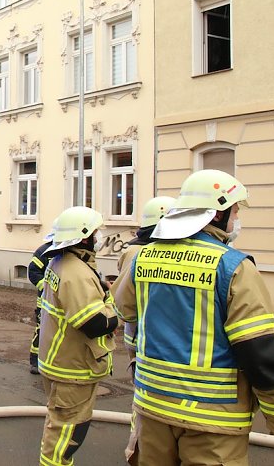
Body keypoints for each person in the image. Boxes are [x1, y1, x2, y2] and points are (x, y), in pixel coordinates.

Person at [113, 169, 274, 465]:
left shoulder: (143, 256)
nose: (237, 218)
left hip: (151, 406)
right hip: (211, 419)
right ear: (216, 214)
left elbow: (124, 310)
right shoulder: (234, 267)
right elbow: (259, 351)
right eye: (235, 210)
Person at [37, 206, 118, 466]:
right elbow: (94, 323)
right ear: (84, 237)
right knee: (66, 435)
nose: (98, 237)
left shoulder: (61, 263)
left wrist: (101, 290)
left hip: (59, 361)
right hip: (72, 367)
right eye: (95, 232)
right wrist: (116, 308)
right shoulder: (76, 272)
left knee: (61, 429)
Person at [110, 195, 175, 465]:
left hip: (141, 336)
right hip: (145, 337)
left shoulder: (135, 250)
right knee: (145, 397)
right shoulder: (141, 253)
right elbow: (125, 300)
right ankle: (137, 450)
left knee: (147, 395)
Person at [27, 228, 55, 375]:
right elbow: (32, 272)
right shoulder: (43, 252)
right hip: (44, 301)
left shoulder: (67, 253)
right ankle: (35, 361)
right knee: (41, 330)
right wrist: (46, 287)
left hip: (60, 303)